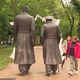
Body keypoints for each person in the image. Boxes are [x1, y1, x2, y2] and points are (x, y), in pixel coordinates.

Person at [14, 6, 35, 76]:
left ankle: (23, 68)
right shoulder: (31, 18)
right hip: (28, 37)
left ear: (22, 10)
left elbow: (15, 29)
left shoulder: (17, 17)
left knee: (21, 53)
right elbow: (32, 30)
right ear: (27, 10)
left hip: (19, 36)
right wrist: (33, 40)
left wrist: (15, 38)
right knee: (29, 53)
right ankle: (25, 68)